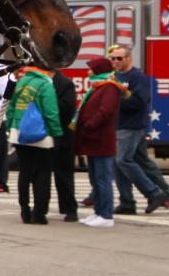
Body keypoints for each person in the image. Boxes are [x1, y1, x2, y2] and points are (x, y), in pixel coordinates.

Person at [108, 44, 169, 214]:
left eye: (119, 58)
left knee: (123, 160)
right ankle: (127, 202)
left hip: (132, 125)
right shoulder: (115, 76)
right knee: (119, 164)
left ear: (129, 58)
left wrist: (115, 101)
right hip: (118, 124)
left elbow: (139, 101)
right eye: (112, 58)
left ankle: (154, 192)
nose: (115, 61)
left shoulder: (137, 77)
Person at [73, 55, 124, 228]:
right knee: (95, 179)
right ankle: (98, 211)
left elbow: (105, 112)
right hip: (93, 139)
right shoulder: (98, 87)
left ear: (99, 70)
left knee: (103, 179)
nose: (88, 72)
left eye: (91, 69)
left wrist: (89, 124)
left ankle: (106, 215)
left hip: (101, 139)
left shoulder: (110, 87)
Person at [8, 64, 61, 224]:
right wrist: (57, 133)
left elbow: (11, 108)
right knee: (43, 172)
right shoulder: (45, 84)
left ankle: (24, 211)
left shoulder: (21, 81)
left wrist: (10, 128)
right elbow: (51, 112)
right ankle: (39, 212)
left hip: (18, 132)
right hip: (41, 134)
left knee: (24, 172)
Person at [51, 69, 80, 221]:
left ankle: (70, 209)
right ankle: (40, 208)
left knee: (64, 175)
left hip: (63, 136)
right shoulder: (42, 82)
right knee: (41, 174)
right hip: (44, 134)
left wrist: (46, 104)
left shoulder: (65, 84)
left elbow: (67, 107)